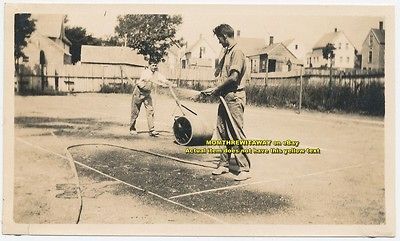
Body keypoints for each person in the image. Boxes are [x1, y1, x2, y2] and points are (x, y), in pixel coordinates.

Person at [202, 24, 251, 181]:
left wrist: (216, 89)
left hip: (234, 97)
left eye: (219, 39)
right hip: (225, 96)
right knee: (222, 131)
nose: (218, 42)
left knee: (235, 132)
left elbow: (233, 78)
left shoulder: (237, 52)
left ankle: (244, 168)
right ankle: (224, 164)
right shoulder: (227, 52)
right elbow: (220, 73)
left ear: (224, 36)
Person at [130, 60, 172, 137]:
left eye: (155, 65)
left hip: (147, 94)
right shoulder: (146, 72)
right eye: (153, 65)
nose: (154, 67)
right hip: (139, 92)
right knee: (135, 112)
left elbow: (163, 79)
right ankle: (132, 128)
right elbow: (150, 79)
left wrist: (168, 82)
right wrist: (160, 84)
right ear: (149, 65)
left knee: (150, 111)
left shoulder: (156, 74)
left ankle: (151, 130)